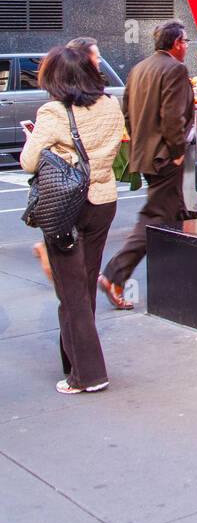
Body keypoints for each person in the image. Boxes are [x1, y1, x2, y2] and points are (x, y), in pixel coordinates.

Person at [20, 45, 124, 394]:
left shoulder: (53, 112)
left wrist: (35, 141)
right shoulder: (111, 104)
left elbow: (29, 162)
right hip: (103, 201)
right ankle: (74, 360)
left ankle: (88, 375)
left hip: (66, 205)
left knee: (71, 293)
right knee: (83, 288)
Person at [99, 19, 194, 308]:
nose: (187, 46)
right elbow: (173, 116)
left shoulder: (138, 69)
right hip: (166, 156)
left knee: (176, 214)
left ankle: (183, 280)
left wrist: (142, 146)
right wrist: (177, 150)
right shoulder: (175, 69)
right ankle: (114, 274)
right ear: (176, 43)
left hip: (145, 155)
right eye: (186, 41)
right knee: (155, 217)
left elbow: (127, 112)